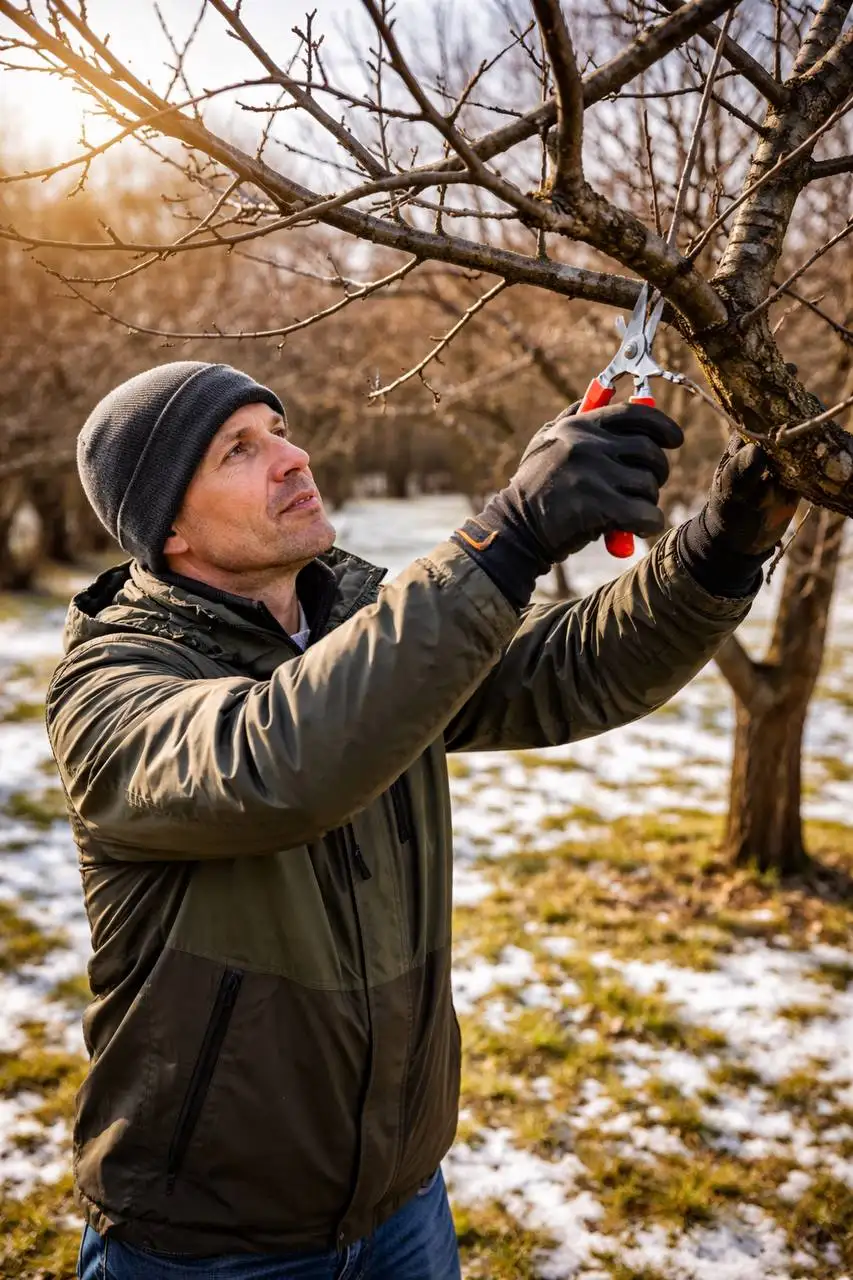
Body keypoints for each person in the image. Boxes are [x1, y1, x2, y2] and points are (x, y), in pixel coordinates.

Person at [48, 361, 797, 1280]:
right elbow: (274, 760)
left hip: (403, 1201)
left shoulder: (363, 622)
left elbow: (569, 667)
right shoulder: (110, 684)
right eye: (238, 450)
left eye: (278, 429)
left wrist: (720, 547)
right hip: (206, 1238)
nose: (292, 457)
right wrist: (508, 536)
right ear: (168, 525)